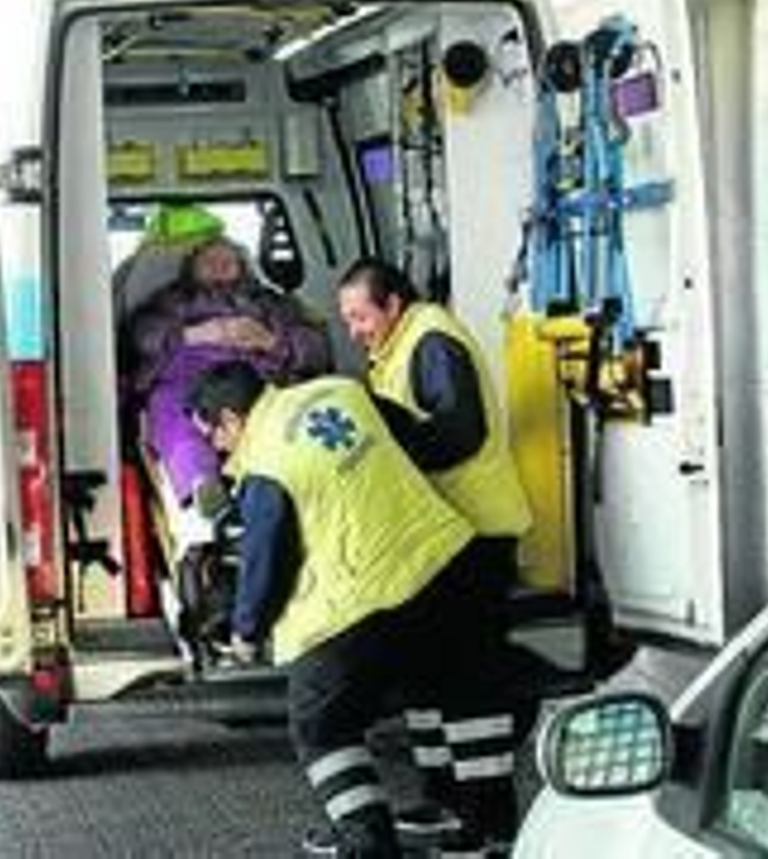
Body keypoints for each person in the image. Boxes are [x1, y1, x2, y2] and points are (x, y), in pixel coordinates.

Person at [187, 361, 520, 857]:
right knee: (459, 692)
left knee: (319, 723)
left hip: (362, 599)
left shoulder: (267, 467)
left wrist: (246, 631)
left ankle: (367, 839)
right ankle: (489, 829)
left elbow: (267, 559)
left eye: (213, 433)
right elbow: (412, 441)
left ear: (233, 420)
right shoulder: (343, 391)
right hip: (445, 563)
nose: (216, 447)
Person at [337, 257, 533, 844]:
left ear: (393, 303)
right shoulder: (398, 348)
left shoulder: (431, 340)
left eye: (361, 315)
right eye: (347, 319)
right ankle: (441, 798)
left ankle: (487, 819)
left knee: (467, 679)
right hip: (439, 537)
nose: (354, 329)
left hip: (474, 533)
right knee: (425, 671)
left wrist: (388, 438)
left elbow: (459, 433)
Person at [129, 235, 330, 519]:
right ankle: (201, 481)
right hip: (188, 373)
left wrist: (269, 340)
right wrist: (193, 333)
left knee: (276, 408)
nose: (219, 267)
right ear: (192, 266)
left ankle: (287, 480)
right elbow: (141, 336)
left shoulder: (269, 302)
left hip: (252, 370)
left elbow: (314, 349)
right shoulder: (173, 300)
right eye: (209, 261)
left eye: (228, 261)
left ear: (243, 266)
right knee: (169, 408)